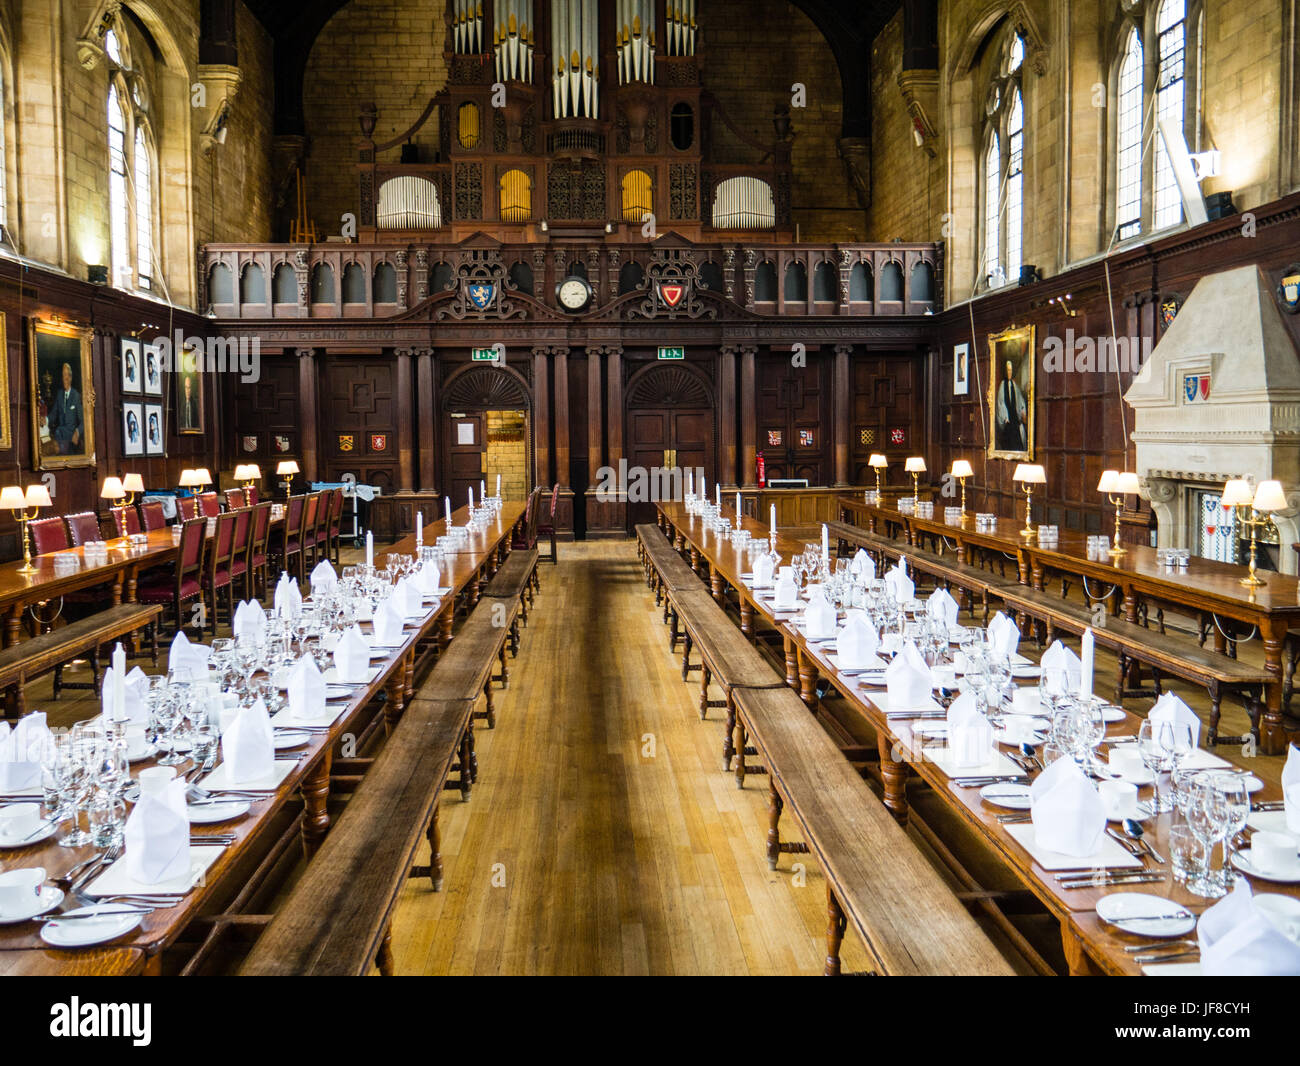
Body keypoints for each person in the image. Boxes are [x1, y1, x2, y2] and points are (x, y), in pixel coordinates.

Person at [47, 362, 83, 454]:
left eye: (67, 375)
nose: (65, 378)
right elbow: (53, 414)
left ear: (71, 378)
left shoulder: (76, 396)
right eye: (63, 376)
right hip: (59, 435)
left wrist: (77, 432)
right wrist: (45, 420)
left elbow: (84, 420)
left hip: (71, 438)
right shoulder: (59, 394)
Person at [994, 356, 1028, 453]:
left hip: (1015, 419)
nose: (1010, 372)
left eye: (1011, 370)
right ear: (1006, 371)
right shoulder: (1002, 385)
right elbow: (1000, 403)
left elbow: (1020, 400)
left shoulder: (1014, 385)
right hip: (1008, 420)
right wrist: (1005, 418)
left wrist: (1022, 411)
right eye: (1008, 370)